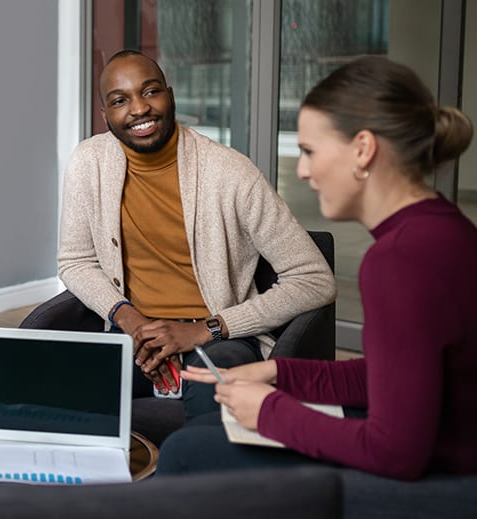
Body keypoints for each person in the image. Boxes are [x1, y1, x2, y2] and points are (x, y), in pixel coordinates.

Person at [157, 56, 477, 480]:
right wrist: (279, 372)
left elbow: (396, 454)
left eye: (309, 151)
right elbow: (399, 374)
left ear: (363, 149)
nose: (302, 170)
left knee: (185, 451)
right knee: (212, 434)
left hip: (444, 488)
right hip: (448, 456)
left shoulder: (399, 261)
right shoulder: (444, 227)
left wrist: (270, 410)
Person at [58, 50, 336, 420]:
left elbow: (315, 280)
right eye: (120, 100)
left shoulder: (231, 172)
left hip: (219, 340)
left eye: (150, 91)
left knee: (212, 419)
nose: (139, 109)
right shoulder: (88, 162)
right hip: (133, 338)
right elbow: (75, 261)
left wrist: (205, 330)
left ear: (170, 96)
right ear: (105, 113)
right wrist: (130, 320)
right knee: (61, 403)